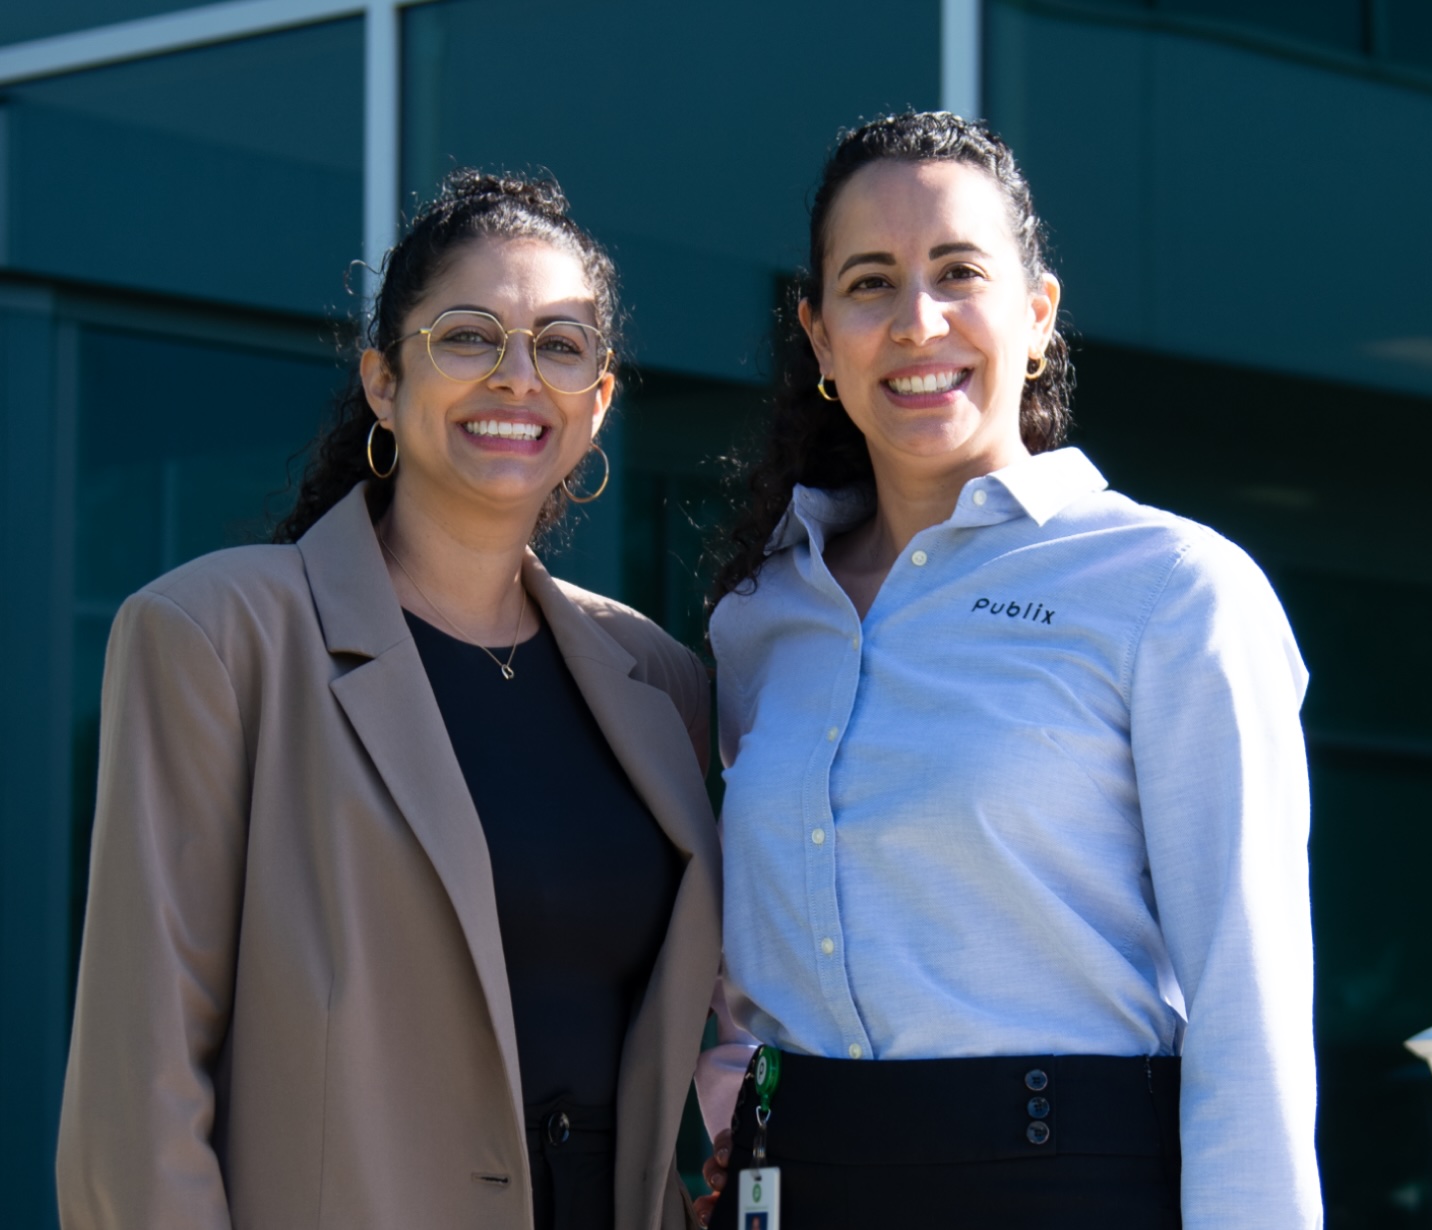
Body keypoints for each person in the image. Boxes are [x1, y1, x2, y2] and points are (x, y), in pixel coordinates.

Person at [56, 170, 721, 1230]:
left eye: (558, 346)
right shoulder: (218, 637)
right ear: (381, 381)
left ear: (597, 402)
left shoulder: (658, 678)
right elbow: (141, 1097)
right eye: (468, 337)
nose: (515, 377)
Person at [695, 112, 1320, 1228]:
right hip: (797, 1190)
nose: (917, 320)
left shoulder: (1172, 590)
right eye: (871, 284)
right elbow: (753, 976)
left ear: (1037, 316)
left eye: (959, 273)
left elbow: (1249, 1003)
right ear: (821, 338)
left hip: (1068, 1189)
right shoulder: (759, 618)